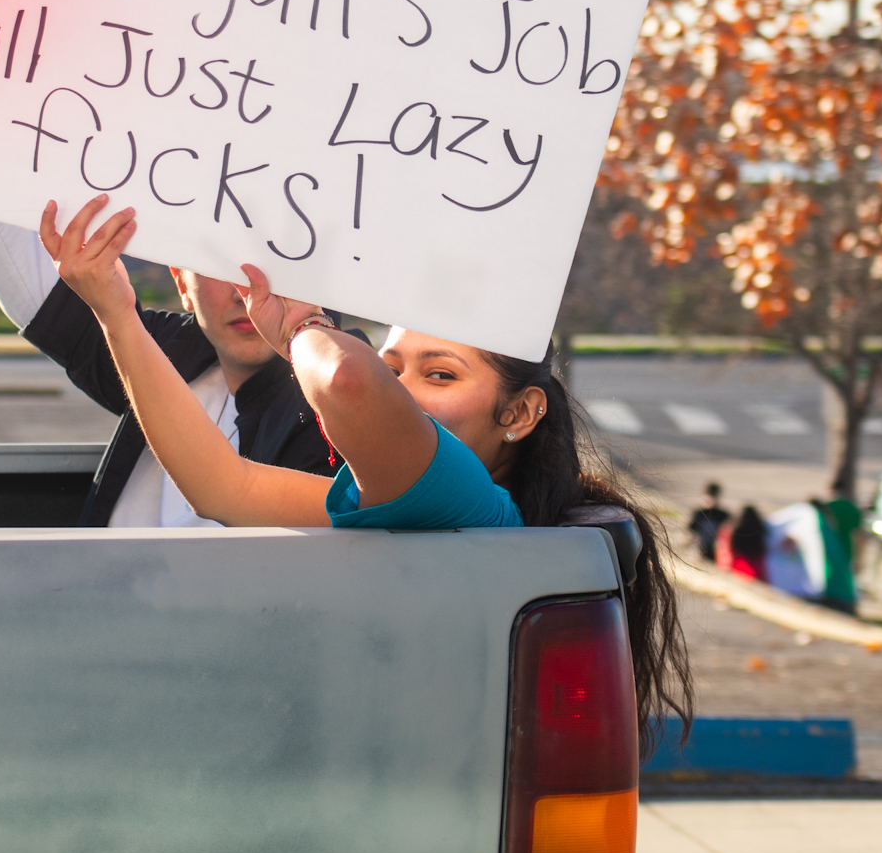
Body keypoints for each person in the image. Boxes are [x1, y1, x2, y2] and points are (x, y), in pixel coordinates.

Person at [41, 193, 693, 751]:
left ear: (520, 411)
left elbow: (350, 379)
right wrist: (115, 312)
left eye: (441, 373)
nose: (403, 390)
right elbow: (222, 485)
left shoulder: (469, 503)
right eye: (396, 365)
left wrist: (301, 325)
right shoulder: (404, 505)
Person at [0, 210, 339, 526]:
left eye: (279, 262)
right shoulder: (166, 350)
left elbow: (229, 494)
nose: (248, 292)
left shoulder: (347, 395)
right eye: (221, 267)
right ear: (182, 285)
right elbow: (21, 273)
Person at [718, 503, 767, 581]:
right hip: (756, 568)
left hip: (738, 567)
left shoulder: (732, 530)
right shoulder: (760, 530)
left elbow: (726, 552)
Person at [689, 481, 730, 562]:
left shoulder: (723, 515)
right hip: (701, 551)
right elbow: (690, 533)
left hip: (719, 554)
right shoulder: (699, 513)